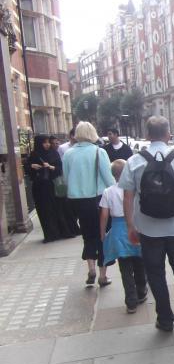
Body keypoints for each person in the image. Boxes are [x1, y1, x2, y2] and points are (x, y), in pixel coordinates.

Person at [120, 115, 174, 335]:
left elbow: (128, 198)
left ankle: (165, 319)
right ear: (169, 134)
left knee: (156, 273)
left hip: (148, 230)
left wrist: (130, 226)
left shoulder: (134, 161)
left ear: (147, 136)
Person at [63, 121, 115, 287]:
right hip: (98, 199)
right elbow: (109, 179)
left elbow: (65, 179)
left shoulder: (68, 154)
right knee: (102, 236)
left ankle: (91, 268)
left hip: (77, 201)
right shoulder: (99, 152)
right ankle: (102, 275)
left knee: (87, 235)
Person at [100, 159, 148, 314]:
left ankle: (131, 302)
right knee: (140, 263)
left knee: (125, 268)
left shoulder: (108, 191)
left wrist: (102, 233)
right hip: (136, 228)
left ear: (113, 175)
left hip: (119, 232)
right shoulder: (135, 189)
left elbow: (104, 215)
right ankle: (141, 292)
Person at [25, 135, 73, 242]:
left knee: (58, 210)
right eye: (44, 142)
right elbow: (26, 168)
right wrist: (32, 166)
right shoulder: (34, 155)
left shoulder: (53, 153)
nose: (47, 144)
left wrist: (50, 167)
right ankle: (51, 234)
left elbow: (60, 168)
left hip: (53, 186)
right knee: (45, 212)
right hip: (40, 188)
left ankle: (63, 231)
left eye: (48, 142)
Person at [49, 136, 80, 237]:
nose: (55, 145)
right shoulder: (63, 149)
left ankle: (70, 229)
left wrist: (52, 167)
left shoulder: (56, 153)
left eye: (56, 143)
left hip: (60, 184)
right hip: (50, 187)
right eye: (53, 144)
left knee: (66, 209)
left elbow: (60, 168)